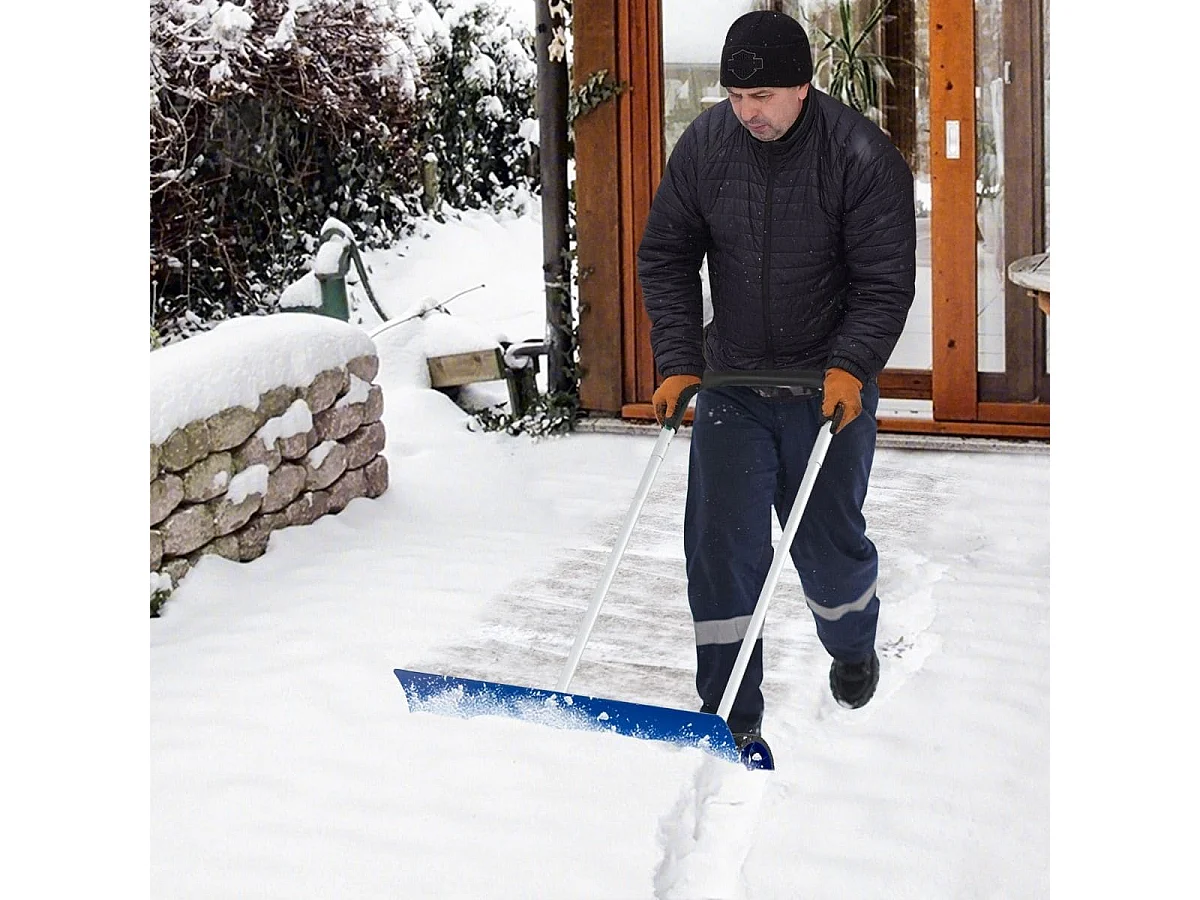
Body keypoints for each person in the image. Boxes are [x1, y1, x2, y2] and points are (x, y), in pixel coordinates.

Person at [636, 10, 916, 740]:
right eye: (734, 96)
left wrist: (852, 366)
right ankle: (730, 714)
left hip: (826, 391)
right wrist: (676, 360)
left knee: (828, 551)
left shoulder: (860, 154)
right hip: (733, 386)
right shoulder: (705, 146)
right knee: (720, 549)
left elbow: (883, 281)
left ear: (802, 85)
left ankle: (853, 646)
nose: (745, 112)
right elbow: (666, 253)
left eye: (759, 98)